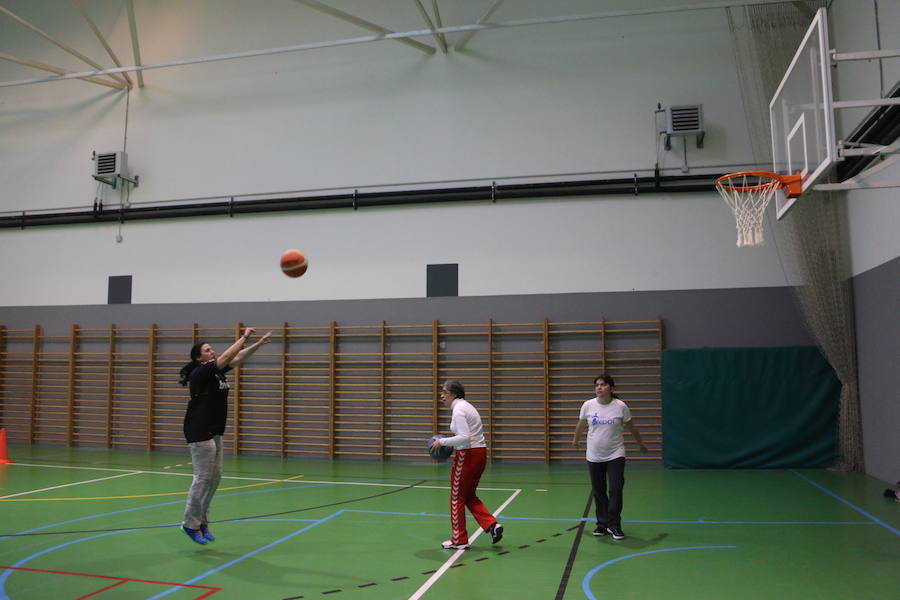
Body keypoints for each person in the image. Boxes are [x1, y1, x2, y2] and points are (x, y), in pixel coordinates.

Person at [177, 326, 272, 545]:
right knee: (202, 478)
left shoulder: (216, 372)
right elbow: (229, 354)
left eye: (212, 350)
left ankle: (202, 522)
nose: (213, 352)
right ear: (199, 357)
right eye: (208, 350)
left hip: (215, 430)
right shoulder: (200, 372)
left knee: (215, 477)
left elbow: (236, 357)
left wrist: (257, 344)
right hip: (199, 430)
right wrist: (245, 336)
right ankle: (189, 525)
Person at [429, 380, 504, 550]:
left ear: (454, 394)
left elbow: (464, 437)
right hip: (479, 453)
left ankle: (459, 539)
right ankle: (492, 525)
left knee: (456, 497)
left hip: (468, 455)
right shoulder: (466, 406)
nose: (441, 396)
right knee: (468, 495)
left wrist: (442, 441)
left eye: (444, 392)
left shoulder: (459, 411)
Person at [572, 374, 647, 540]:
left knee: (615, 487)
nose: (599, 387)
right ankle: (602, 525)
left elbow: (632, 427)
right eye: (597, 385)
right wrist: (575, 440)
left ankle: (615, 525)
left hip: (615, 453)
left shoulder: (620, 406)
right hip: (594, 454)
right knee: (598, 491)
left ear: (611, 389)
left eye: (603, 385)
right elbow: (581, 425)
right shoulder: (588, 405)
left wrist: (640, 443)